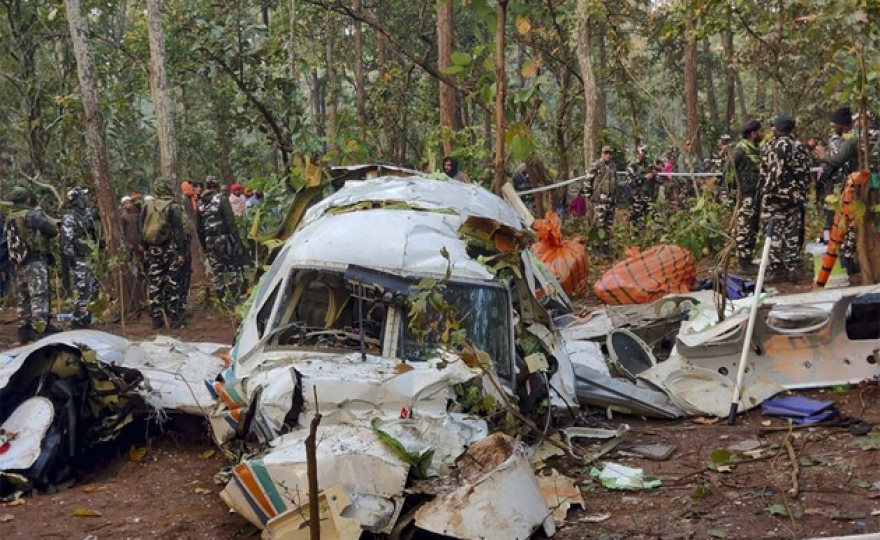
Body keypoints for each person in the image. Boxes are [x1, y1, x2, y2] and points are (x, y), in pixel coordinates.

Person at [759, 114, 812, 282]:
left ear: (778, 128)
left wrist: (766, 192)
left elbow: (775, 172)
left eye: (774, 126)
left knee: (773, 232)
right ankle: (792, 267)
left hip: (777, 197)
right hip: (796, 197)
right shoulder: (799, 146)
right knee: (792, 233)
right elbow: (806, 173)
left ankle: (777, 269)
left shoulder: (778, 146)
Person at [5, 186, 60, 343]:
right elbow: (52, 230)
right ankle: (40, 329)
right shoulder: (31, 215)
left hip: (19, 261)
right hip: (34, 258)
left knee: (24, 296)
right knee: (39, 294)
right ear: (27, 199)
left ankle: (24, 329)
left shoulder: (11, 216)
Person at [140, 177, 188, 329]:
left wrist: (145, 248)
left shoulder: (148, 205)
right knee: (173, 283)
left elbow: (142, 227)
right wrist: (181, 252)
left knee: (155, 283)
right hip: (170, 250)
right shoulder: (173, 207)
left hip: (153, 250)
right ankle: (174, 316)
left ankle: (156, 317)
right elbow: (178, 232)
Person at [818, 107, 859, 269]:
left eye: (835, 124)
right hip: (835, 187)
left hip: (848, 187)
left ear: (843, 125)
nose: (832, 127)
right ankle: (836, 254)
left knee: (847, 222)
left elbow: (837, 160)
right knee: (832, 220)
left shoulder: (851, 140)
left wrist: (823, 156)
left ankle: (847, 258)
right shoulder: (836, 139)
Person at [198, 180, 244, 303]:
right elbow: (230, 221)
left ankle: (221, 298)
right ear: (217, 187)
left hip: (209, 240)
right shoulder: (222, 199)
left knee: (217, 269)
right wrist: (237, 241)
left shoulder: (201, 202)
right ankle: (234, 297)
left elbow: (199, 227)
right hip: (223, 238)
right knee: (232, 267)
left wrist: (203, 245)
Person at [61, 187, 99, 328]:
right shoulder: (70, 217)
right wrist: (73, 260)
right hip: (78, 258)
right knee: (82, 288)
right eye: (83, 196)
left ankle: (87, 316)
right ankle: (78, 320)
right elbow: (66, 241)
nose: (86, 198)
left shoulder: (87, 214)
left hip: (89, 256)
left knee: (92, 288)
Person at [730, 120, 764, 273]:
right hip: (745, 196)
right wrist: (733, 191)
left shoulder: (756, 150)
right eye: (760, 132)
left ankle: (748, 259)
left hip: (755, 194)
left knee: (753, 227)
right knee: (745, 228)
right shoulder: (740, 150)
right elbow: (728, 171)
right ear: (753, 134)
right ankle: (743, 262)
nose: (762, 134)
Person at [584, 145, 617, 254]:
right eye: (606, 153)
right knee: (599, 224)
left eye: (610, 153)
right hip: (600, 200)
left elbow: (615, 182)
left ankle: (605, 247)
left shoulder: (612, 166)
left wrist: (615, 198)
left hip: (611, 200)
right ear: (602, 153)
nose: (608, 155)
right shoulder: (596, 165)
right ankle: (596, 247)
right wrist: (590, 196)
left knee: (608, 225)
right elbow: (587, 180)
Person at [120, 195, 145, 314]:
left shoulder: (137, 215)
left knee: (142, 271)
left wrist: (141, 243)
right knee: (133, 270)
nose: (128, 205)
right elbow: (122, 233)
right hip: (130, 248)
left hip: (139, 246)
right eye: (126, 203)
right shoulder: (123, 217)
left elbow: (140, 230)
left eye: (129, 202)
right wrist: (126, 245)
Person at [627, 145, 660, 227]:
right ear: (637, 154)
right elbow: (631, 181)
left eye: (644, 154)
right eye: (642, 154)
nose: (643, 156)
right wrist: (644, 177)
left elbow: (656, 176)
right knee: (635, 218)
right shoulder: (631, 166)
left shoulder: (649, 164)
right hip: (637, 197)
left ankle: (657, 231)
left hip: (649, 196)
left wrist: (655, 175)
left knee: (656, 217)